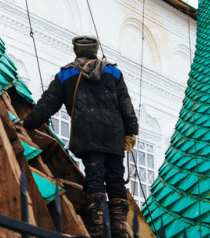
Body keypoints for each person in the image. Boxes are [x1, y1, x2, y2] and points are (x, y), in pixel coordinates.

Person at [23, 35, 138, 238]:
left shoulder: (66, 74)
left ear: (76, 52)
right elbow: (126, 105)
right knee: (115, 179)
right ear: (96, 51)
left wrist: (27, 124)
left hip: (87, 134)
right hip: (113, 134)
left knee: (94, 177)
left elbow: (47, 104)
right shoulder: (113, 72)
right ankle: (120, 228)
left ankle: (98, 226)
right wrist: (131, 131)